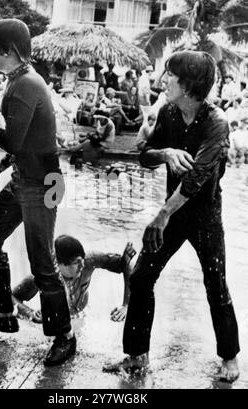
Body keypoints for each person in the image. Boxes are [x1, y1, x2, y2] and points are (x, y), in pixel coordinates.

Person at [104, 50, 240, 383]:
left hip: (204, 215)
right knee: (140, 278)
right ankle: (136, 356)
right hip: (172, 214)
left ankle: (230, 357)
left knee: (215, 283)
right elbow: (145, 157)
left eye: (170, 75)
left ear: (189, 84)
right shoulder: (168, 112)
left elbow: (197, 179)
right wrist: (164, 151)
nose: (162, 80)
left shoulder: (216, 122)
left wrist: (161, 214)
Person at [0, 18, 76, 367]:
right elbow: (26, 139)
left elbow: (14, 137)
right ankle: (2, 313)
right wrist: (4, 162)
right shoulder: (18, 80)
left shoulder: (27, 84)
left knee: (43, 261)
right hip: (24, 179)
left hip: (46, 184)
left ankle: (65, 336)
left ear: (7, 50)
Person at [12, 236, 136, 323]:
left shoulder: (90, 260)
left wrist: (126, 305)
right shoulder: (43, 275)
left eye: (82, 261)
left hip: (80, 312)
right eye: (77, 263)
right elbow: (10, 297)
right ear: (60, 264)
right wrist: (30, 314)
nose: (82, 267)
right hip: (57, 319)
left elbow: (125, 266)